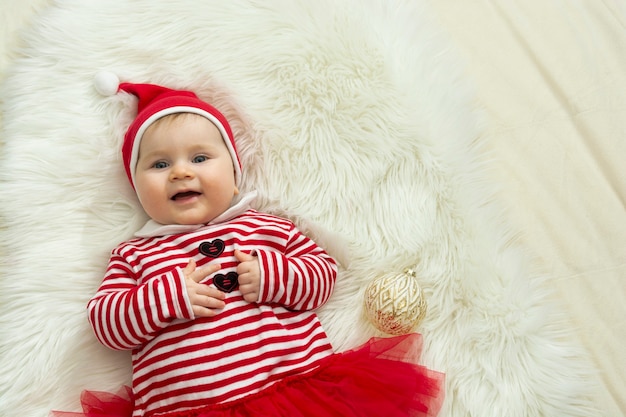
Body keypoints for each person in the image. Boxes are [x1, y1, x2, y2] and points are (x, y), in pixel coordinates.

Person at [53, 74, 444, 417]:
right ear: (137, 189)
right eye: (158, 165)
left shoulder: (264, 228)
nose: (181, 171)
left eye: (201, 157)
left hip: (295, 391)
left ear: (235, 175)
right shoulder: (135, 255)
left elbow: (324, 273)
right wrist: (165, 297)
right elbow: (106, 323)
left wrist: (273, 275)